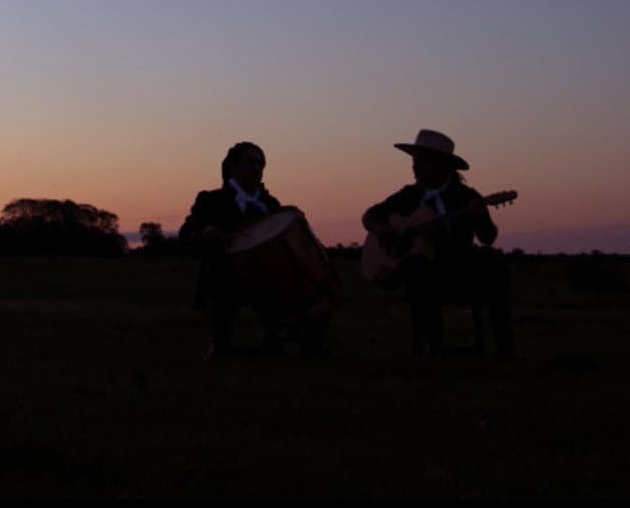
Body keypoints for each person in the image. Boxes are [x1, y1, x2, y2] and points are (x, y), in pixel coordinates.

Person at [360, 129, 515, 359]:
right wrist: (385, 232)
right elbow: (370, 216)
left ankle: (505, 348)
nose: (415, 167)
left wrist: (480, 217)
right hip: (423, 273)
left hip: (459, 268)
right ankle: (430, 346)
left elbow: (487, 238)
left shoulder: (466, 196)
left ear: (442, 165)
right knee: (416, 265)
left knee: (495, 260)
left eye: (421, 161)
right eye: (414, 161)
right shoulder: (408, 196)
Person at [179, 141, 331, 359]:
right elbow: (187, 230)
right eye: (250, 162)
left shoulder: (271, 203)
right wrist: (205, 230)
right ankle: (221, 343)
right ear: (233, 167)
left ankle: (298, 344)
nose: (257, 169)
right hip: (226, 275)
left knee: (320, 291)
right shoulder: (211, 200)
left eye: (260, 164)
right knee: (220, 280)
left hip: (272, 278)